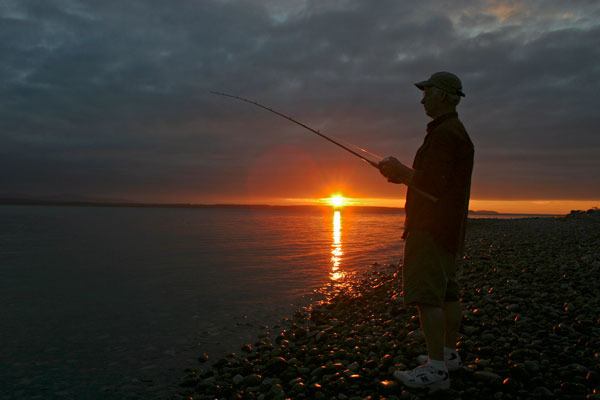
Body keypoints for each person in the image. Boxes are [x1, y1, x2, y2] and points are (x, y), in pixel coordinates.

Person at [378, 71, 474, 393]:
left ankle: (436, 370)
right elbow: (435, 181)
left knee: (427, 296)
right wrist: (404, 176)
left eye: (428, 92)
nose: (422, 99)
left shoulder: (446, 134)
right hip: (449, 227)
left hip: (430, 227)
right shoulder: (453, 132)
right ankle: (448, 355)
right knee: (448, 292)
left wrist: (402, 171)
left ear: (444, 96)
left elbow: (432, 186)